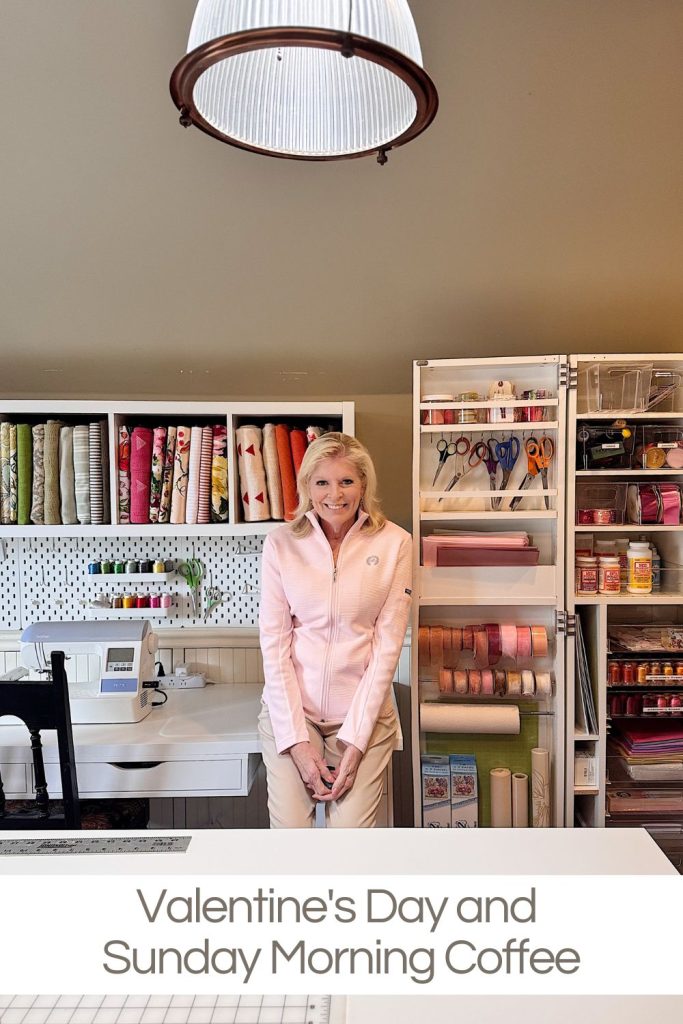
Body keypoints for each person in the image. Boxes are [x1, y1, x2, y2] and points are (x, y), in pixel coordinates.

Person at [258, 432, 412, 828]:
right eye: (322, 482)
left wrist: (356, 742)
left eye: (346, 481)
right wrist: (296, 742)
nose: (335, 494)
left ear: (363, 484)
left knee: (349, 841)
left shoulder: (396, 544)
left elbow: (387, 648)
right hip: (294, 713)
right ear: (307, 486)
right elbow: (275, 646)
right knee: (290, 836)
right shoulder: (280, 545)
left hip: (363, 715)